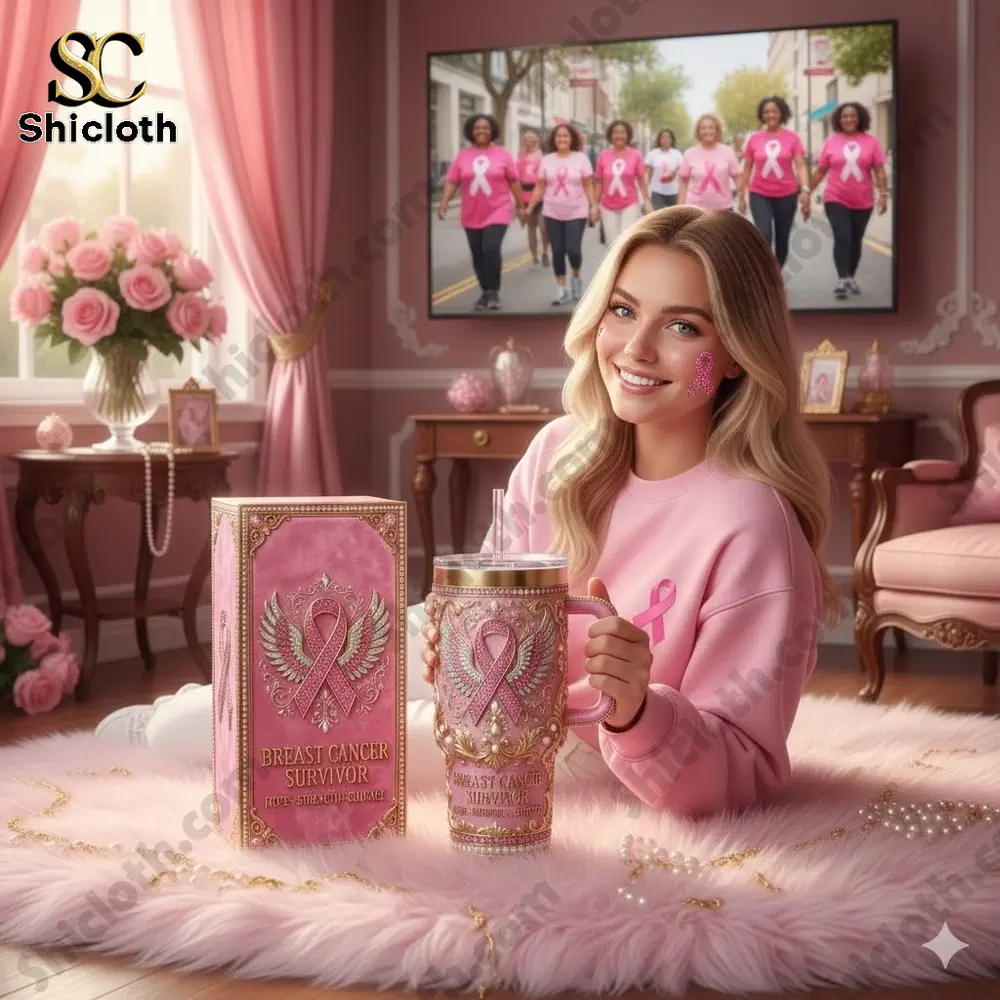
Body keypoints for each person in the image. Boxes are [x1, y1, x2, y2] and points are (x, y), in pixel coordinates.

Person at [95, 208, 841, 818]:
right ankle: (189, 716)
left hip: (567, 741)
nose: (636, 347)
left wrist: (636, 707)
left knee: (272, 734)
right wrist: (442, 640)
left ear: (738, 353)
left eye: (685, 327)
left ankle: (173, 732)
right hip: (484, 681)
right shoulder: (562, 450)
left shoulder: (751, 522)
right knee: (291, 675)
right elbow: (473, 598)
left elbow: (746, 770)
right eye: (622, 310)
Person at [437, 114, 523, 311]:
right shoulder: (463, 155)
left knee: (490, 248)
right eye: (477, 128)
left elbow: (513, 181)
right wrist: (444, 203)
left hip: (498, 209)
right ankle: (485, 292)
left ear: (492, 131)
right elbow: (452, 181)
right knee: (477, 254)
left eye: (485, 128)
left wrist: (520, 206)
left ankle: (493, 291)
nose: (481, 131)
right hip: (472, 212)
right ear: (471, 131)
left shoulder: (502, 154)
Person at [807, 102, 888, 300]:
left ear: (860, 118)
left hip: (863, 200)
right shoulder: (831, 142)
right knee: (843, 235)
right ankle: (842, 279)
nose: (849, 119)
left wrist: (883, 194)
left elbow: (879, 170)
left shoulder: (872, 142)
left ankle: (851, 276)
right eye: (844, 116)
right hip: (835, 197)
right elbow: (821, 171)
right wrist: (807, 190)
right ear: (838, 120)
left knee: (855, 239)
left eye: (852, 116)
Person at [526, 123, 596, 306]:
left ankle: (576, 278)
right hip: (551, 211)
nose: (562, 139)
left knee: (573, 250)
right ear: (553, 140)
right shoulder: (547, 160)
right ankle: (561, 289)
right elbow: (540, 186)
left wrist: (593, 205)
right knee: (557, 251)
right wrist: (529, 207)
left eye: (565, 136)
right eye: (558, 136)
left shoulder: (581, 158)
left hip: (577, 211)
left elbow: (588, 184)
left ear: (571, 139)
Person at [738, 96, 810, 268]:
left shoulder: (792, 138)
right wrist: (741, 194)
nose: (770, 115)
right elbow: (747, 166)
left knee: (782, 237)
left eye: (774, 111)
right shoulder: (754, 139)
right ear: (762, 115)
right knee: (764, 233)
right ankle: (766, 273)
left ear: (781, 113)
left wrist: (805, 190)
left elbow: (800, 165)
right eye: (766, 112)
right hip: (759, 193)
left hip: (787, 194)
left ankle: (777, 272)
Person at [592, 119, 650, 242]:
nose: (619, 135)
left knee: (626, 241)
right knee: (612, 243)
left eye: (622, 132)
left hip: (629, 204)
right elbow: (598, 182)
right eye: (615, 132)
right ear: (611, 135)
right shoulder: (603, 155)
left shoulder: (636, 155)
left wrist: (646, 201)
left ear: (628, 135)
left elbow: (641, 181)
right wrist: (594, 205)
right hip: (607, 205)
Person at [678, 114, 741, 211]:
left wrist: (742, 199)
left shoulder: (728, 152)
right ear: (698, 131)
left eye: (711, 127)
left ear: (717, 130)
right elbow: (683, 182)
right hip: (695, 210)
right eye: (703, 128)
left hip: (724, 209)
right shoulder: (689, 153)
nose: (707, 131)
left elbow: (738, 178)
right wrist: (680, 207)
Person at [517, 129, 549, 267]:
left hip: (542, 197)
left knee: (544, 227)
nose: (532, 142)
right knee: (531, 227)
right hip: (526, 196)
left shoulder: (543, 157)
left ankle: (546, 252)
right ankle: (534, 254)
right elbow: (516, 180)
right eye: (529, 140)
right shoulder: (520, 158)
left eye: (534, 140)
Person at [644, 128, 684, 210]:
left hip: (673, 192)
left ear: (672, 140)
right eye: (663, 137)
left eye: (668, 138)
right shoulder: (653, 154)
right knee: (659, 218)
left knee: (672, 218)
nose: (666, 140)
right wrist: (648, 188)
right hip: (657, 192)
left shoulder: (677, 154)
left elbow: (682, 173)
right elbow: (648, 172)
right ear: (659, 140)